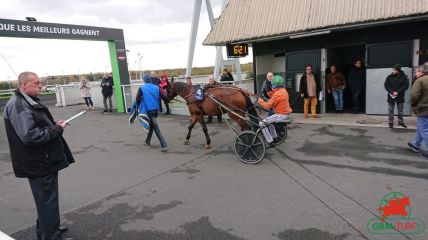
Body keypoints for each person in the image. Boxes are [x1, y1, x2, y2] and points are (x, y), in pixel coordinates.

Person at [4, 72, 74, 240]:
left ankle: (49, 228)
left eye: (40, 83)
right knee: (47, 202)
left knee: (46, 201)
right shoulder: (19, 105)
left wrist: (52, 124)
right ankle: (50, 235)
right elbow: (30, 136)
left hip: (42, 161)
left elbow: (35, 125)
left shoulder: (26, 101)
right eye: (36, 83)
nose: (40, 86)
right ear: (23, 86)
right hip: (39, 163)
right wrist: (56, 129)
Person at [136, 74, 169, 151]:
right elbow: (164, 97)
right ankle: (147, 141)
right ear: (150, 80)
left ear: (144, 80)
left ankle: (164, 145)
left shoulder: (141, 88)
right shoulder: (157, 87)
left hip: (148, 110)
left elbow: (137, 99)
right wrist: (168, 100)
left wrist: (137, 107)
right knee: (152, 126)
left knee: (156, 128)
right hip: (156, 110)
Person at [258, 75, 292, 147]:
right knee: (270, 123)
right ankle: (275, 137)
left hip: (280, 115)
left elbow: (267, 106)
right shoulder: (284, 91)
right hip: (285, 114)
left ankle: (270, 141)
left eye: (272, 84)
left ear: (274, 85)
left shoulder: (277, 94)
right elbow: (276, 98)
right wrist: (270, 94)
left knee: (261, 123)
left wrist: (260, 100)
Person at [408, 63, 428, 158]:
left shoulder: (420, 81)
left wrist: (413, 105)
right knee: (422, 127)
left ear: (421, 72)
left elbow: (414, 95)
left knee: (424, 129)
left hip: (423, 109)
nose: (415, 73)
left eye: (416, 71)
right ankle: (416, 144)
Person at [384, 64, 409, 128]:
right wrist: (392, 92)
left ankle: (400, 122)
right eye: (392, 69)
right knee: (390, 110)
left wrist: (398, 91)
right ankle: (391, 122)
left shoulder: (404, 77)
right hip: (391, 95)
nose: (392, 71)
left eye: (394, 70)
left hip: (400, 95)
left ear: (398, 71)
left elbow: (406, 86)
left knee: (400, 110)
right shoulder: (389, 77)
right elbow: (386, 85)